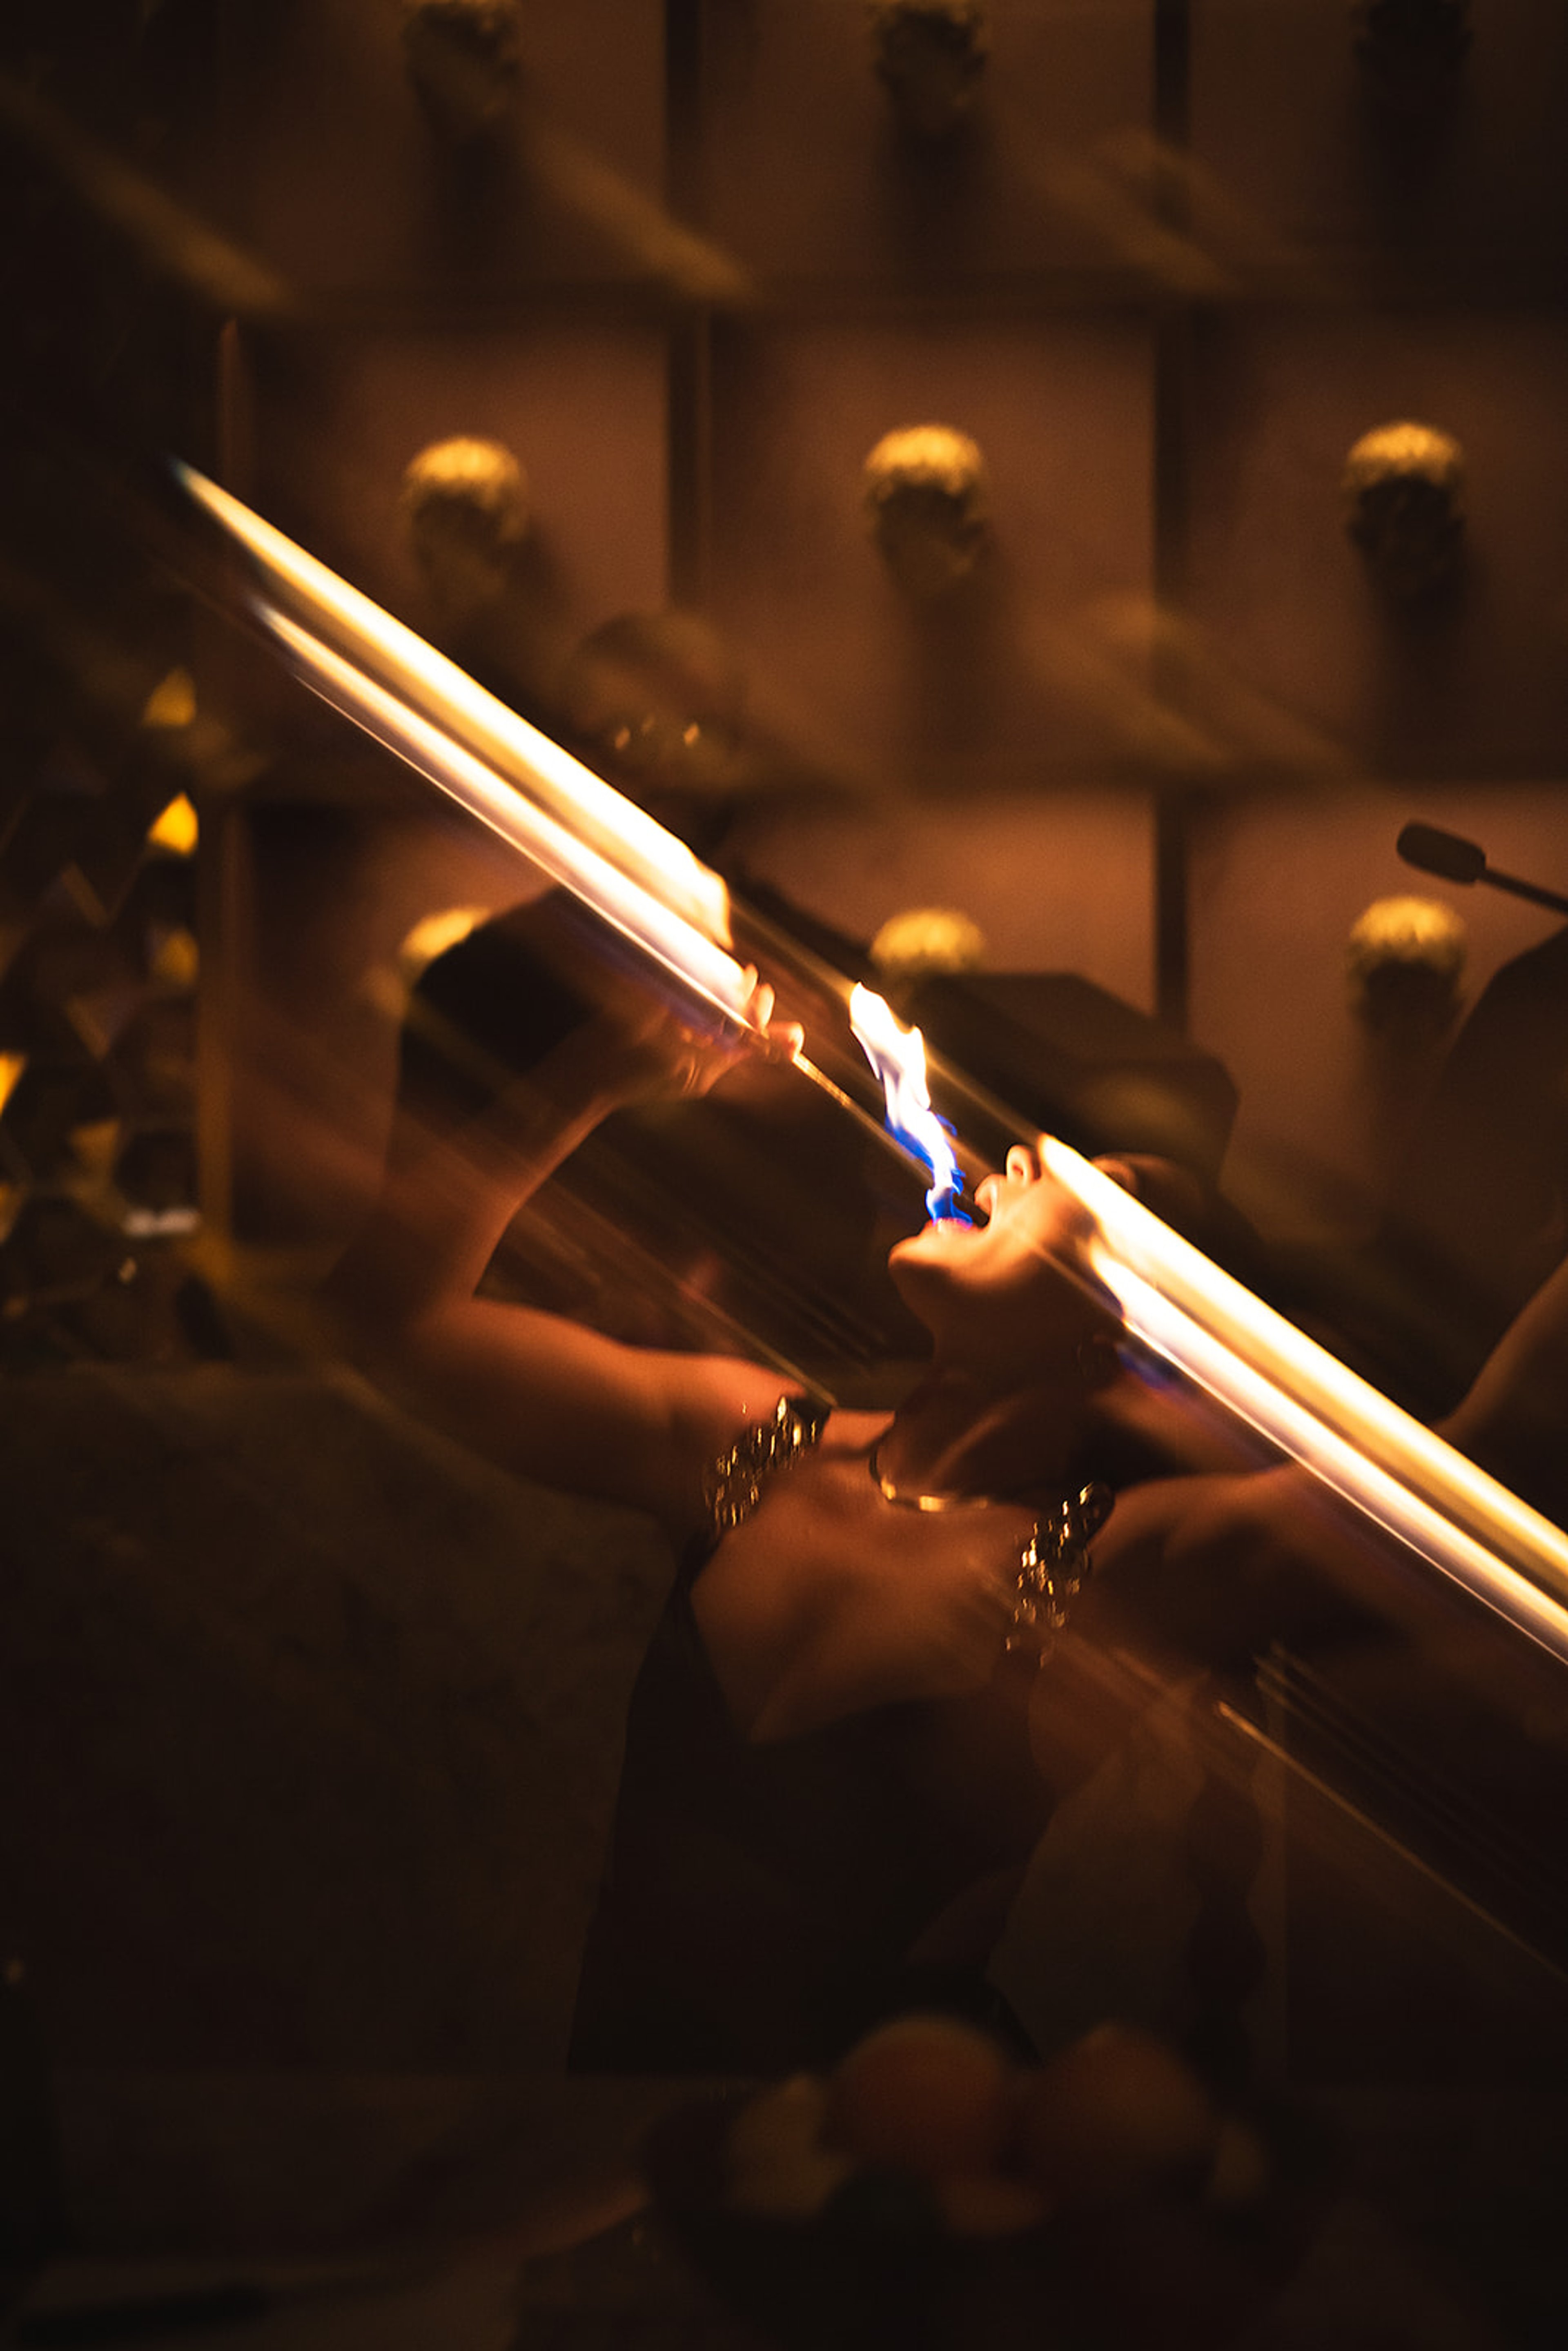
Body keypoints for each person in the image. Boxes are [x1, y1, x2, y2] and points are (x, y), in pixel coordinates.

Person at [321, 933, 1568, 2075]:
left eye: (1098, 1183)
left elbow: (1490, 1451)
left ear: (1124, 1343)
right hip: (620, 2135)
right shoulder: (763, 1446)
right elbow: (392, 1320)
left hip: (908, 2167)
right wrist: (593, 1078)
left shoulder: (1101, 1569)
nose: (1022, 1157)